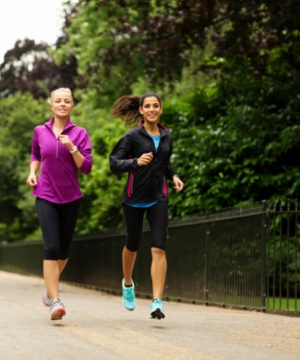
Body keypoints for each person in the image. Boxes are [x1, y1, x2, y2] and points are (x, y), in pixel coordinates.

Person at [109, 91, 184, 320]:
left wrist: (173, 176)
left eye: (155, 105)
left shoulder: (167, 136)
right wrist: (135, 162)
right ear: (141, 110)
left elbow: (163, 163)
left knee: (159, 248)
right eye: (147, 106)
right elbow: (114, 163)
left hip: (158, 197)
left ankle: (157, 301)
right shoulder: (132, 136)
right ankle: (128, 283)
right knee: (132, 245)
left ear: (160, 109)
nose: (152, 109)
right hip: (134, 198)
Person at [26, 88, 93, 320]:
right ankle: (55, 301)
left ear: (72, 105)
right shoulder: (39, 131)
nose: (62, 104)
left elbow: (86, 167)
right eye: (58, 101)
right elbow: (35, 155)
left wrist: (72, 147)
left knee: (64, 252)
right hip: (45, 194)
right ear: (50, 105)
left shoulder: (80, 133)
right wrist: (32, 172)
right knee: (51, 248)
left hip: (71, 197)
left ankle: (50, 286)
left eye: (67, 101)